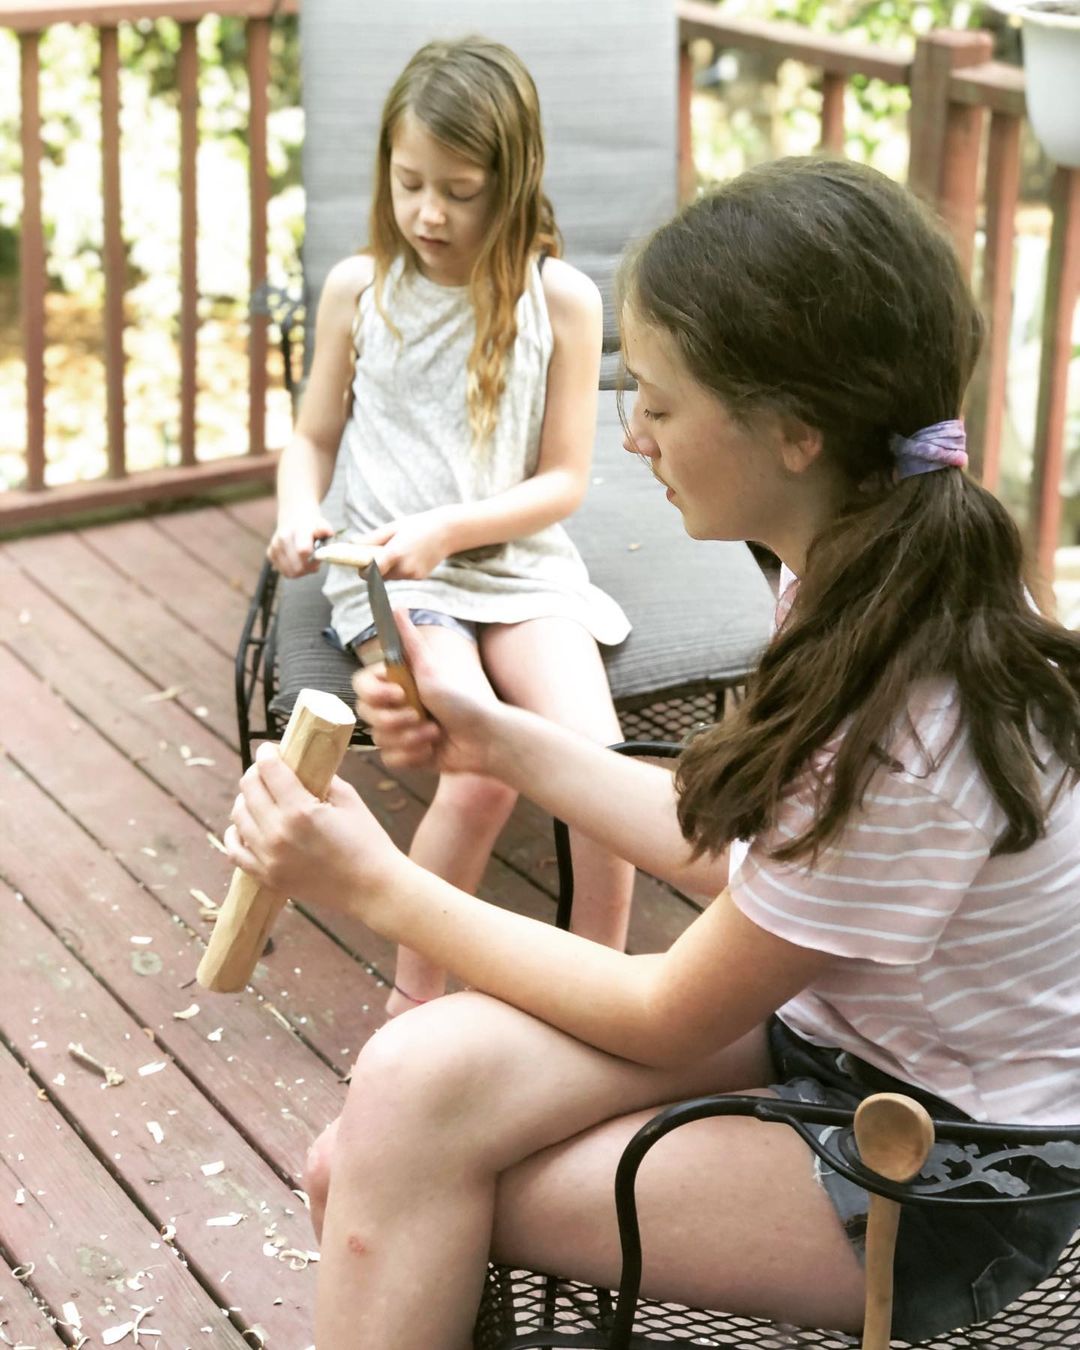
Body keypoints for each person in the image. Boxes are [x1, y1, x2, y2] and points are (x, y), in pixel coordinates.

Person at [226, 156, 1080, 1349]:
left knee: (376, 1177)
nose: (631, 437)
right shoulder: (861, 572)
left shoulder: (902, 709)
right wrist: (497, 738)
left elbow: (672, 1007)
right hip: (840, 1030)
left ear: (795, 433)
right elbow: (751, 850)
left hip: (945, 1176)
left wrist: (377, 885)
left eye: (662, 405)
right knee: (412, 1091)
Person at [267, 36, 634, 1018]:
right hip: (395, 575)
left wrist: (457, 524)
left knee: (601, 768)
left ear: (511, 184)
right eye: (408, 182)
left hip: (520, 565)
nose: (428, 212)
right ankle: (411, 1003)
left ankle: (599, 988)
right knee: (478, 777)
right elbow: (311, 439)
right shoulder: (360, 290)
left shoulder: (561, 301)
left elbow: (562, 481)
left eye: (459, 190)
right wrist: (300, 514)